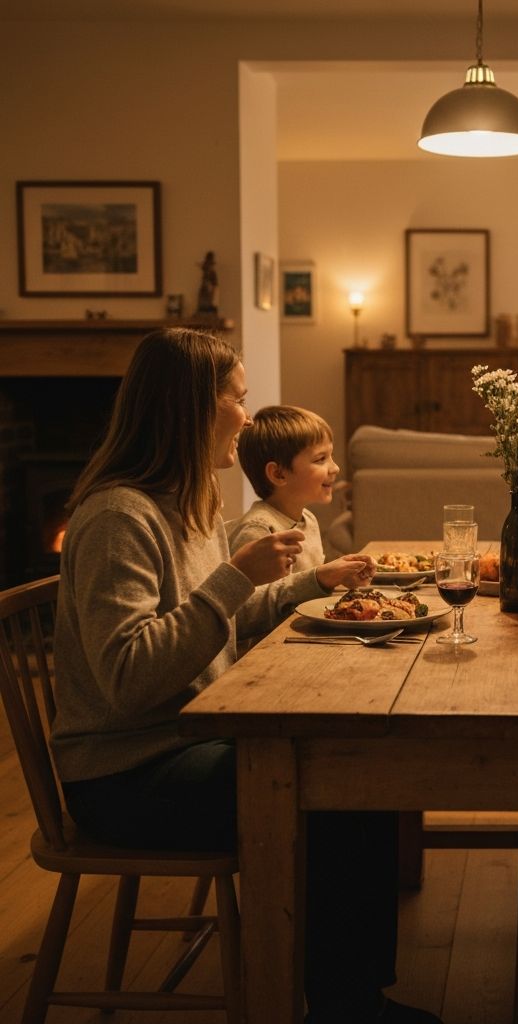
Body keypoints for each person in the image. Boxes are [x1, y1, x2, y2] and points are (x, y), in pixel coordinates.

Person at [50, 327, 443, 1024]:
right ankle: (346, 1005)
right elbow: (128, 677)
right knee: (346, 783)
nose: (250, 416)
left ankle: (351, 994)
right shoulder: (119, 516)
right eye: (238, 398)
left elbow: (221, 623)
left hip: (188, 738)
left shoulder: (188, 504)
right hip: (126, 773)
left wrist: (299, 584)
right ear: (192, 408)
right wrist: (232, 580)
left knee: (361, 767)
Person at [228, 404, 339, 573]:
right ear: (278, 474)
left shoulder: (308, 519)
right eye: (320, 459)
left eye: (330, 456)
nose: (335, 468)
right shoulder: (259, 531)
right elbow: (248, 597)